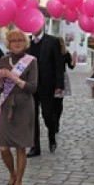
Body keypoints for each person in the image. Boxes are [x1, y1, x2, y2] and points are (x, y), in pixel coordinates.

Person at [0, 29, 37, 185]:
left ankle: (19, 182)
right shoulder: (3, 59)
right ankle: (12, 173)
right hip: (7, 104)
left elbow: (32, 87)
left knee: (21, 148)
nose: (17, 43)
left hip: (24, 105)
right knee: (3, 147)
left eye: (20, 40)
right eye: (13, 40)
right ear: (8, 43)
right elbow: (1, 88)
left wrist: (14, 78)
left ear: (25, 43)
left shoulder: (31, 61)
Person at [26, 27, 64, 156]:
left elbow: (59, 64)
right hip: (31, 85)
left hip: (47, 85)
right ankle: (35, 147)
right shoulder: (27, 42)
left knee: (48, 115)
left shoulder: (52, 41)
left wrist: (59, 84)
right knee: (32, 117)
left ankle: (51, 134)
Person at [54, 36, 76, 133]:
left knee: (58, 102)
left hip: (61, 78)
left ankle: (56, 121)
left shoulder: (65, 53)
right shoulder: (50, 53)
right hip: (51, 78)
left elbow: (71, 66)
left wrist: (74, 60)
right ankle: (53, 120)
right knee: (51, 102)